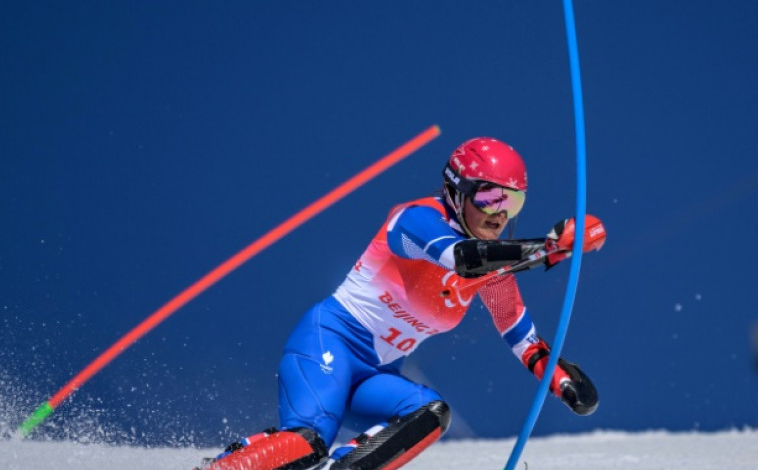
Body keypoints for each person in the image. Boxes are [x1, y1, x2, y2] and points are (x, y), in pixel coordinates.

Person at [196, 137, 606, 470]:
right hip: (329, 344)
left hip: (374, 379)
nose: (500, 214)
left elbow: (524, 341)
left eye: (512, 202)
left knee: (429, 413)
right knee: (308, 443)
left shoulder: (495, 273)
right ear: (457, 190)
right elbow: (461, 258)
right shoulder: (415, 220)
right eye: (490, 197)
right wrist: (547, 247)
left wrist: (562, 381)